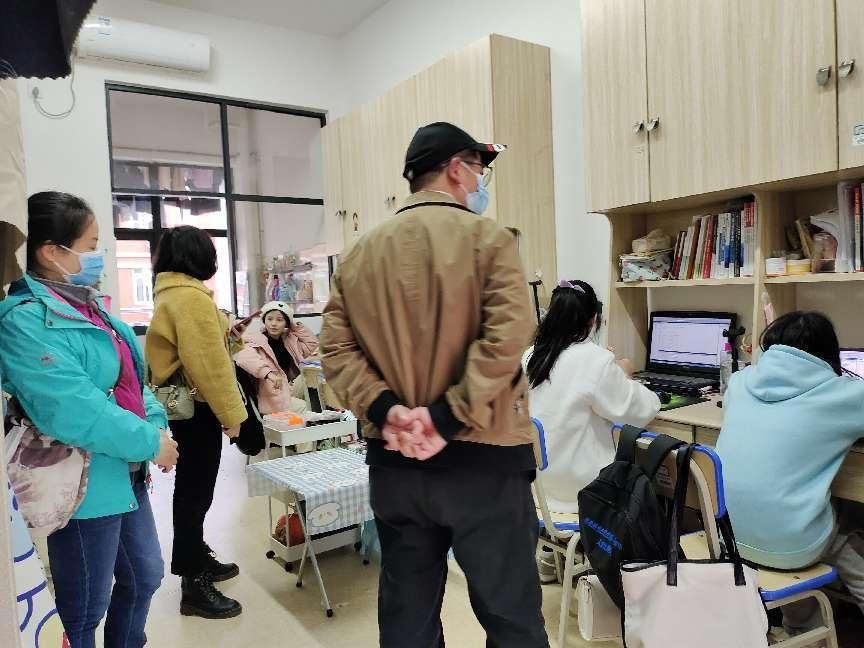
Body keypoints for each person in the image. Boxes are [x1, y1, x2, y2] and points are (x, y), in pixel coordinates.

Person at [321, 122, 549, 648]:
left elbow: (335, 350)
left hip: (397, 466)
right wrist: (445, 417)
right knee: (511, 616)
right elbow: (509, 336)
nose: (480, 182)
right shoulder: (489, 240)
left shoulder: (359, 254)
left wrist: (387, 409)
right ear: (455, 169)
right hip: (485, 464)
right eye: (479, 169)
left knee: (408, 617)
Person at [0, 192, 178, 648]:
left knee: (145, 576)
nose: (99, 256)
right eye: (91, 245)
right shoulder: (24, 321)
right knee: (84, 609)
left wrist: (157, 426)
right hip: (82, 483)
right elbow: (72, 409)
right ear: (51, 251)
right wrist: (149, 441)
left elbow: (132, 380)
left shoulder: (90, 307)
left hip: (126, 470)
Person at [717, 311, 864, 635]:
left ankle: (803, 626)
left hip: (730, 536)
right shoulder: (844, 394)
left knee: (795, 512)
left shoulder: (740, 382)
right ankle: (811, 624)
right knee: (848, 520)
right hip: (791, 544)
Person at [145, 225, 247, 619]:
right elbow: (210, 367)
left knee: (193, 490)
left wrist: (226, 331)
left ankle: (198, 557)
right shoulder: (190, 298)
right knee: (194, 492)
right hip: (198, 407)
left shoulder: (171, 293)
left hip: (182, 406)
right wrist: (233, 417)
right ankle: (192, 580)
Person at [523, 279, 660, 514]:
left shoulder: (529, 357)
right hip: (585, 493)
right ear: (593, 319)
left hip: (537, 492)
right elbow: (640, 410)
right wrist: (623, 373)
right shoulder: (595, 360)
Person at [233, 300, 318, 414]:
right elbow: (244, 358)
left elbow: (312, 344)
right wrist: (268, 374)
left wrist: (294, 326)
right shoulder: (255, 339)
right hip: (272, 395)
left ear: (286, 323)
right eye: (269, 319)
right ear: (264, 321)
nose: (273, 323)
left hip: (289, 387)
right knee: (305, 407)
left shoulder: (290, 339)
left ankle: (331, 415)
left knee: (314, 375)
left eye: (279, 320)